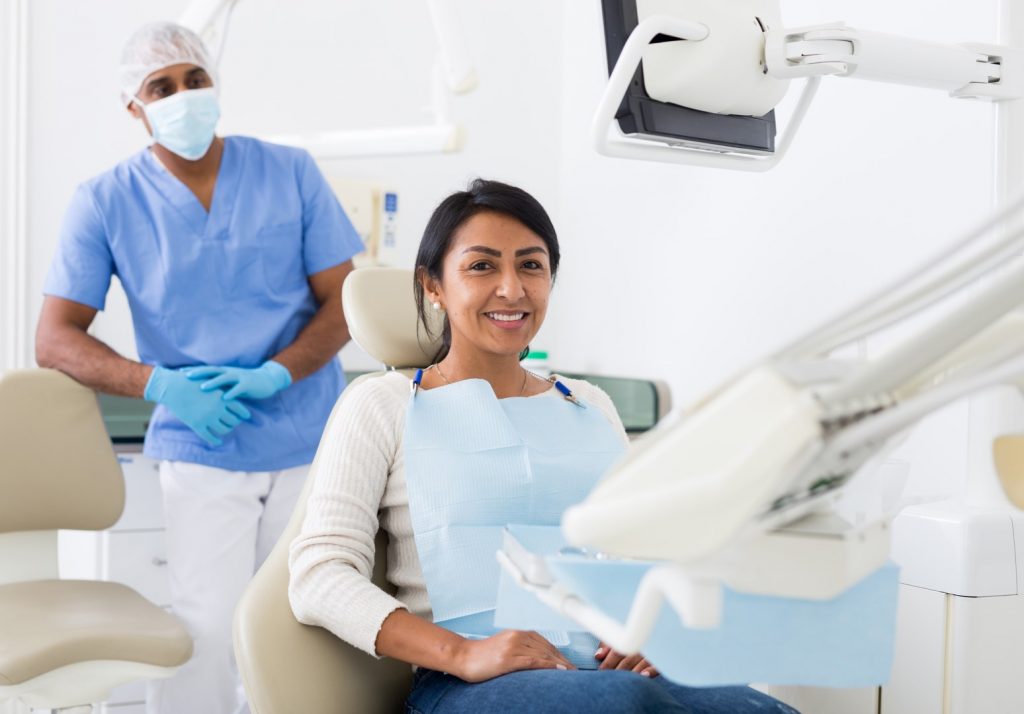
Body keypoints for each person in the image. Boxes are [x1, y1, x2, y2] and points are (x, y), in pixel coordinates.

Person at [288, 179, 798, 713]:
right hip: (469, 686)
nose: (512, 289)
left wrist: (650, 629)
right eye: (482, 266)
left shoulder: (589, 404)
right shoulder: (382, 404)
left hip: (611, 675)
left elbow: (636, 552)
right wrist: (462, 653)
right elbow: (320, 575)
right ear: (433, 286)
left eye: (531, 266)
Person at [35, 21, 365, 714]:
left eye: (195, 79)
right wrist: (158, 385)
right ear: (135, 106)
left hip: (309, 435)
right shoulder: (105, 201)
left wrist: (279, 371)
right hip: (202, 441)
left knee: (305, 622)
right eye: (162, 86)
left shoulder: (289, 171)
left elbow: (346, 299)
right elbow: (56, 339)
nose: (184, 95)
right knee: (206, 628)